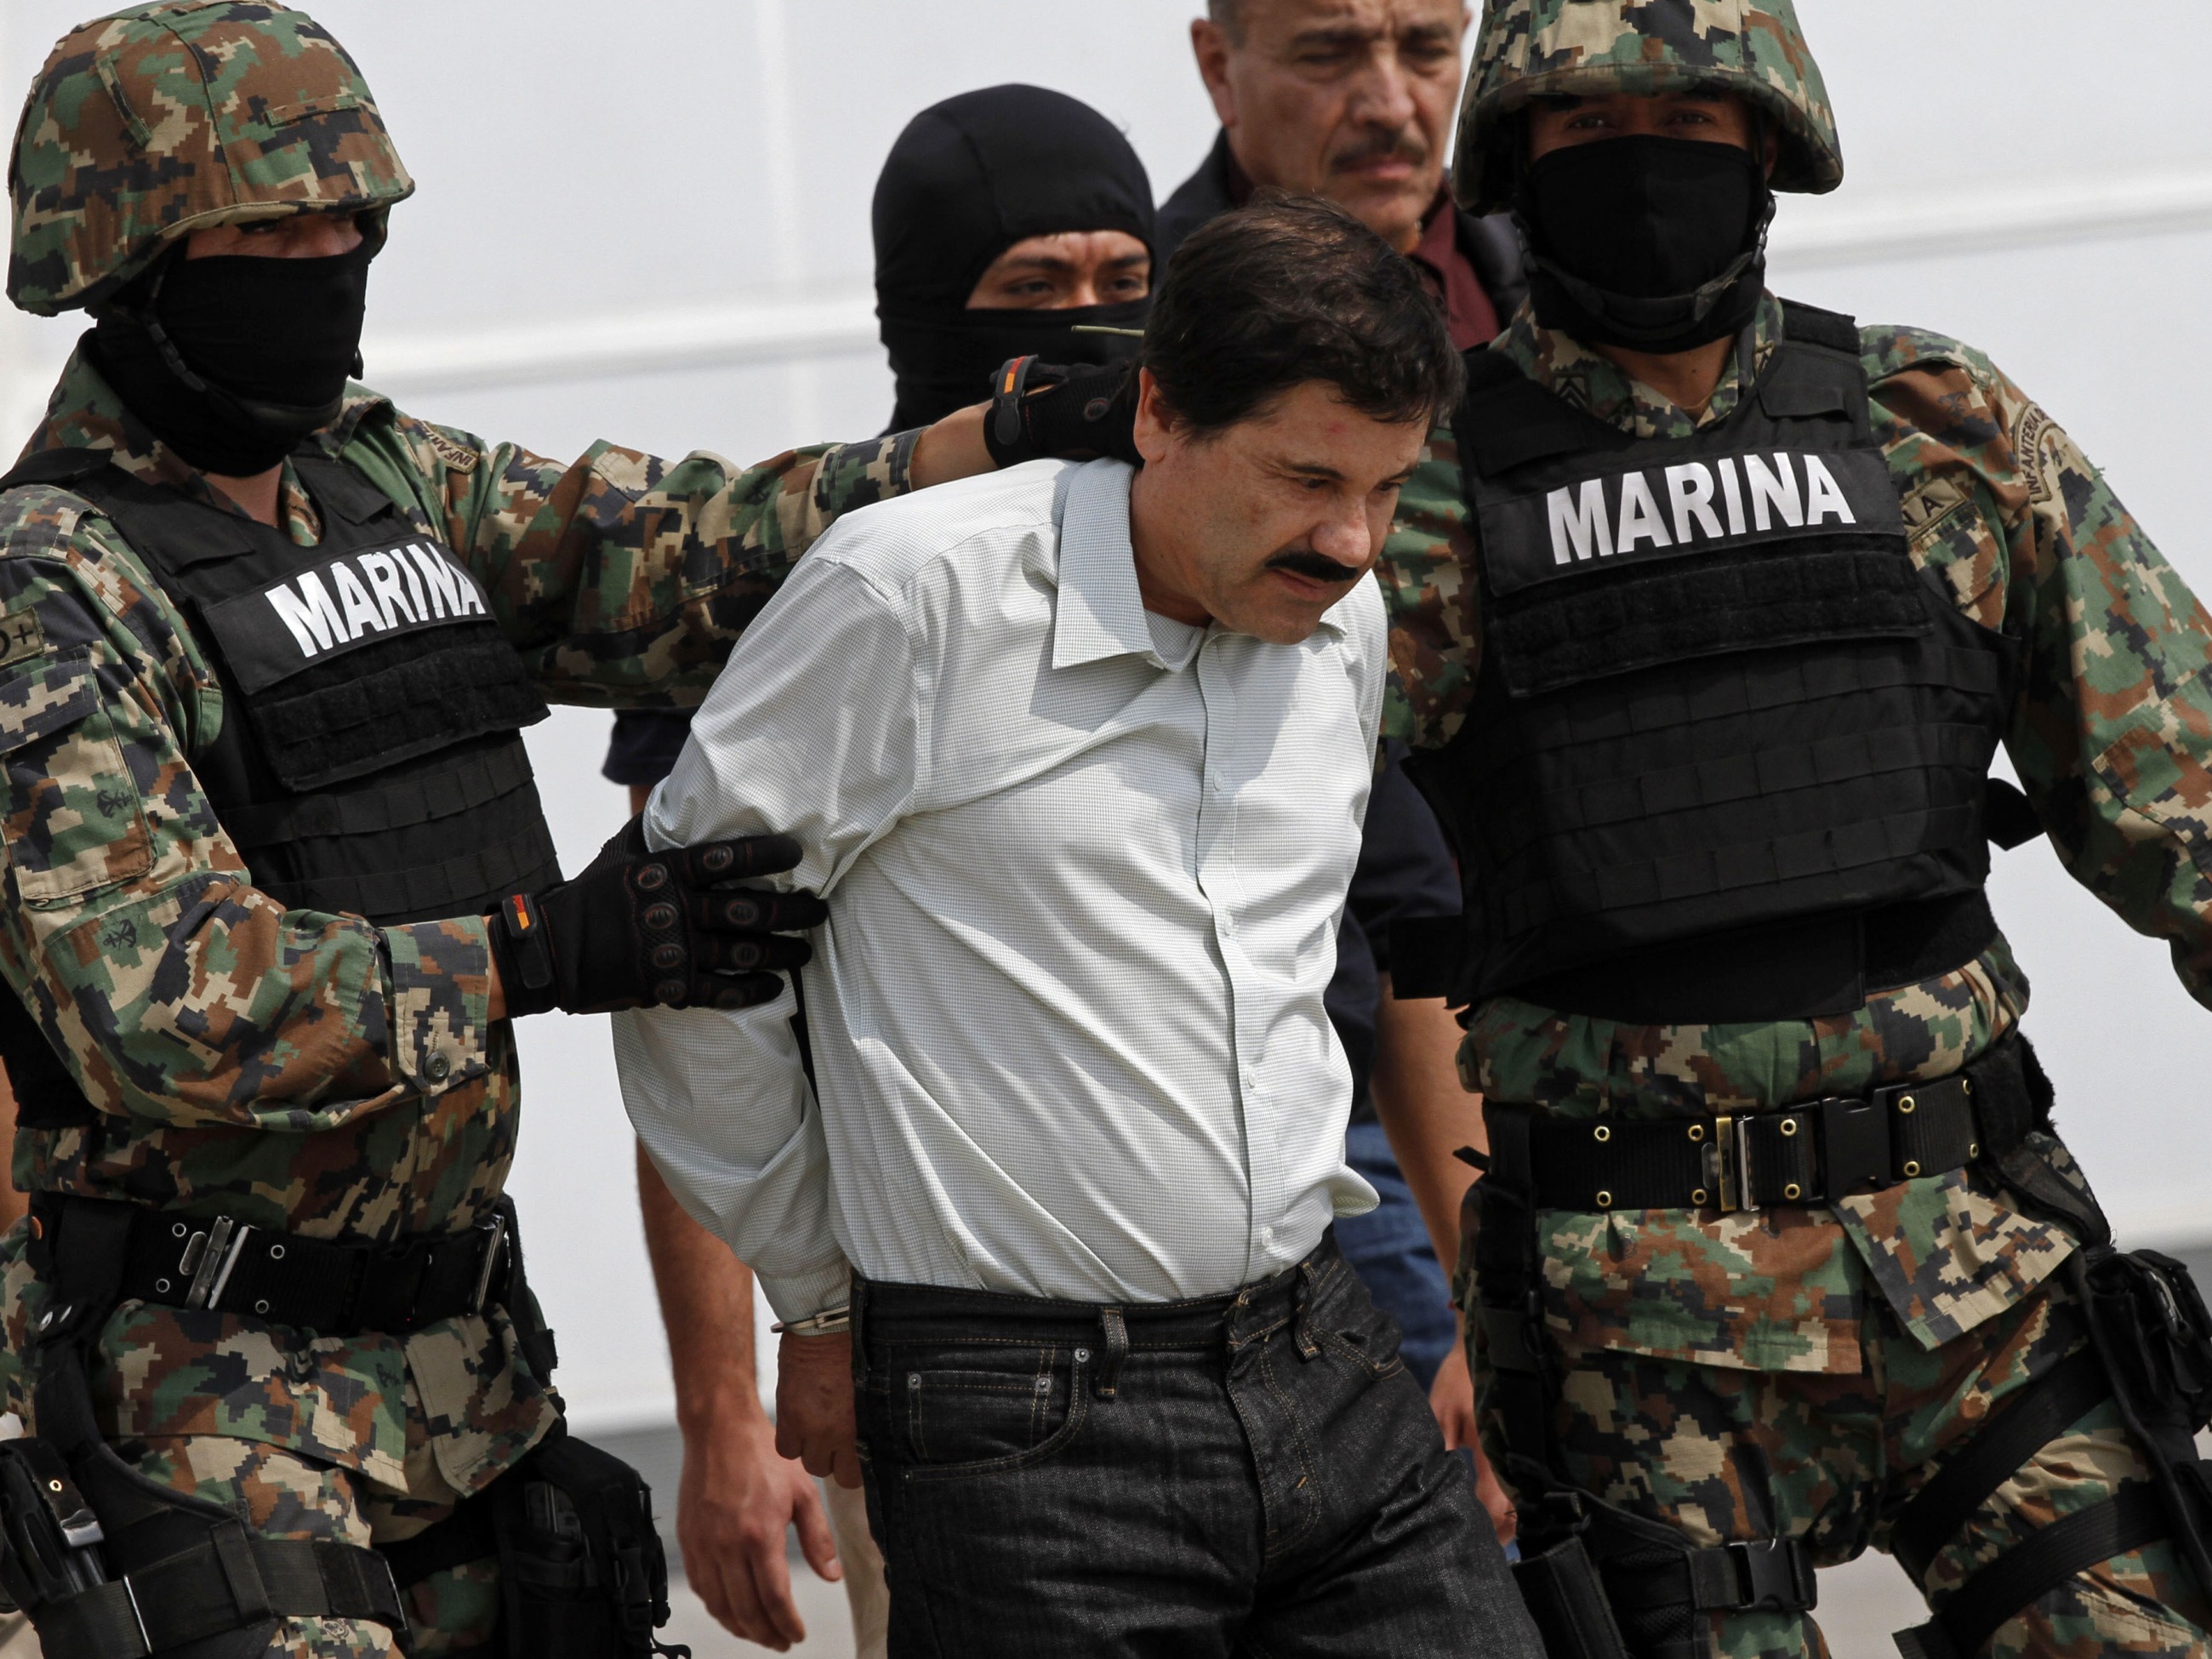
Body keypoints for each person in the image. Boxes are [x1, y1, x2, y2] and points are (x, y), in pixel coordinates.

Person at [0, 5, 989, 1654]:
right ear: (132, 257)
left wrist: (977, 451)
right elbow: (157, 998)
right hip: (205, 1413)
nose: (324, 262)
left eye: (349, 225)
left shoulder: (378, 484)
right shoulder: (56, 584)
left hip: (467, 1383)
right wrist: (546, 950)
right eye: (270, 230)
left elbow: (674, 553)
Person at [617, 197, 1538, 1657]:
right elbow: (682, 973)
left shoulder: (1335, 616)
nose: (1352, 540)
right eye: (1307, 477)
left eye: (1388, 485)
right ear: (1159, 413)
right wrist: (812, 1299)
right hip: (1021, 1428)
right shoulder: (907, 596)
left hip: (1323, 1352)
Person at [609, 83, 1157, 1656]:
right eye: (1033, 292)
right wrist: (730, 1414)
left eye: (1127, 285)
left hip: (1259, 1336)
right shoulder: (813, 571)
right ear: (928, 312)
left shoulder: (1212, 539)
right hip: (949, 1371)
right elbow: (698, 994)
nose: (1092, 328)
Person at [1149, 0, 1521, 1499]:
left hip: (1606, 1043)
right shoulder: (1130, 330)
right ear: (1216, 62)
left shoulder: (1566, 296)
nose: (1388, 100)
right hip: (1327, 1093)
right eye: (1327, 55)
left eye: (1427, 47)